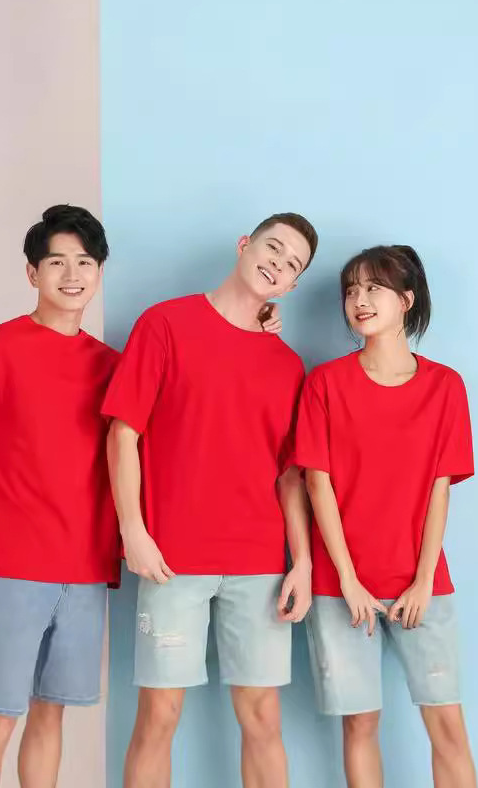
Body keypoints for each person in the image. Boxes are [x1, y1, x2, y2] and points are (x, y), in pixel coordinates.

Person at [102, 213, 318, 788]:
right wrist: (133, 530)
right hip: (172, 559)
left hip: (259, 564)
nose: (277, 263)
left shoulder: (287, 365)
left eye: (292, 264)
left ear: (293, 285)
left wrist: (301, 562)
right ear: (245, 245)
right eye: (273, 247)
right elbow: (123, 433)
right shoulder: (165, 323)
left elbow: (289, 477)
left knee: (263, 719)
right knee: (159, 715)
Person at [0, 205, 120, 788]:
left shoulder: (111, 365)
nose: (72, 274)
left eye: (85, 262)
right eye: (56, 262)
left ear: (99, 271)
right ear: (33, 273)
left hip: (86, 571)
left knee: (50, 716)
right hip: (14, 567)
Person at [296, 245, 478, 788]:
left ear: (407, 299)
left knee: (447, 725)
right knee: (360, 724)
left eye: (374, 288)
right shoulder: (325, 383)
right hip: (339, 587)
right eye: (351, 290)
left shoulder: (445, 387)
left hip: (421, 581)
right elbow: (317, 485)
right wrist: (348, 581)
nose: (359, 299)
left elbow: (439, 490)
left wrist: (422, 581)